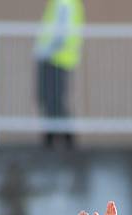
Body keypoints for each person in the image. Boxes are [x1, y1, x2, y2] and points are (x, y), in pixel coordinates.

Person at [35, 0, 85, 148]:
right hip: (55, 58)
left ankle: (59, 140)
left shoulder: (64, 3)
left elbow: (61, 33)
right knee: (49, 99)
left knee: (53, 99)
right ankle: (55, 138)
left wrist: (45, 52)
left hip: (56, 58)